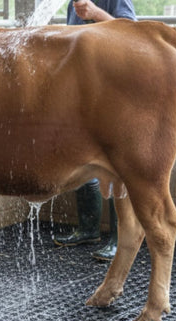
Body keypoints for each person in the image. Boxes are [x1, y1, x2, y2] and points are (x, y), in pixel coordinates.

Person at [54, 0, 137, 261]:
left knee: (114, 164)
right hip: (83, 89)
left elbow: (132, 32)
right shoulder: (72, 4)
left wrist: (95, 13)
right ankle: (88, 229)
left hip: (115, 87)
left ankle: (117, 238)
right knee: (82, 157)